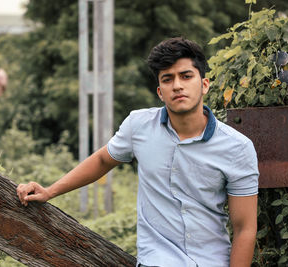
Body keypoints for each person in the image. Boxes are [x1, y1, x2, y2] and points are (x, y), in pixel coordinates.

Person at [17, 37, 259, 267]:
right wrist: (50, 191)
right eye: (167, 79)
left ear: (204, 84)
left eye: (186, 76)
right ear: (159, 91)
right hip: (157, 260)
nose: (177, 85)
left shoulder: (237, 147)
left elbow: (244, 228)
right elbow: (102, 159)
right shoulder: (139, 126)